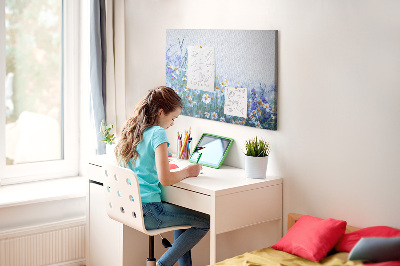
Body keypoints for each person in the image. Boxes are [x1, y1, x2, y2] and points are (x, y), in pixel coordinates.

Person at [115, 86, 210, 266]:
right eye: (173, 118)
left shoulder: (133, 129)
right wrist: (189, 171)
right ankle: (164, 263)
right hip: (150, 211)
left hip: (132, 207)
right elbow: (165, 179)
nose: (173, 123)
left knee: (184, 220)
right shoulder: (158, 133)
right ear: (160, 112)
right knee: (205, 221)